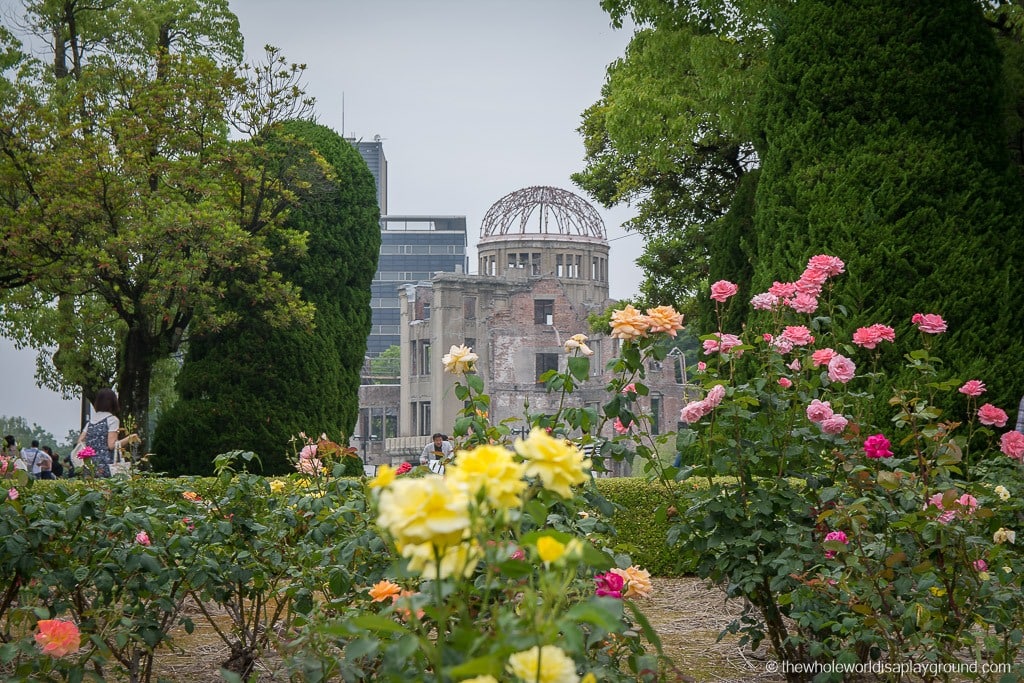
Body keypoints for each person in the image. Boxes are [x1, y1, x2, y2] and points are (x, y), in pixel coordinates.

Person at [76, 388, 137, 478]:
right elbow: (111, 445)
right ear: (113, 402)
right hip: (107, 467)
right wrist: (130, 438)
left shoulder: (90, 422)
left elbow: (80, 441)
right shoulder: (112, 420)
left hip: (90, 467)